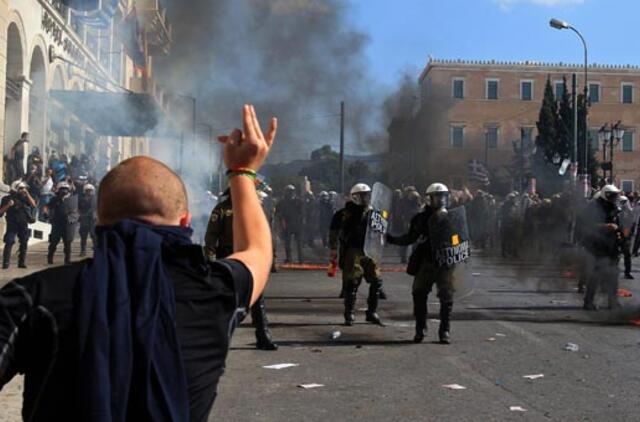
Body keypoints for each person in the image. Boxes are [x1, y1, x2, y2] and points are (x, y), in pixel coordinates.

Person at [0, 105, 277, 421]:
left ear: (100, 223)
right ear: (184, 221)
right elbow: (257, 253)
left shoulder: (35, 296)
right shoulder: (214, 292)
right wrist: (242, 172)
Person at [205, 188, 278, 351]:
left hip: (249, 255)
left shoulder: (254, 208)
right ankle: (216, 339)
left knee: (257, 297)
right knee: (224, 298)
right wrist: (209, 259)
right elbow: (211, 236)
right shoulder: (221, 209)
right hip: (227, 256)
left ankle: (263, 336)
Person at [387, 183, 456, 344]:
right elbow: (409, 238)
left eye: (443, 196)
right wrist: (390, 238)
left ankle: (445, 331)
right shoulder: (420, 218)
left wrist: (454, 247)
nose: (441, 200)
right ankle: (420, 329)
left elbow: (458, 237)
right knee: (419, 294)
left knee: (446, 296)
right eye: (437, 197)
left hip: (445, 262)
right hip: (426, 261)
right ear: (429, 198)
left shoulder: (451, 217)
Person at [329, 183, 384, 326]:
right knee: (352, 283)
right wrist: (334, 248)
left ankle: (372, 312)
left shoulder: (374, 213)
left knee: (376, 282)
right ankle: (349, 314)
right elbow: (334, 231)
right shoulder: (344, 213)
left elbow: (380, 231)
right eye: (362, 195)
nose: (365, 198)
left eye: (367, 195)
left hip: (370, 250)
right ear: (354, 197)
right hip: (353, 251)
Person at [578, 184, 623, 310]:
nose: (615, 198)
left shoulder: (614, 207)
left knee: (613, 274)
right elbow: (586, 225)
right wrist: (606, 226)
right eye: (613, 195)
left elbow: (618, 224)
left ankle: (612, 301)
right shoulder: (594, 207)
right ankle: (588, 302)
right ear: (606, 194)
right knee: (596, 274)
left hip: (611, 245)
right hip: (597, 245)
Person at [0, 180, 36, 269]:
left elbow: (33, 205)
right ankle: (6, 263)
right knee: (9, 242)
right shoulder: (6, 198)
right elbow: (0, 212)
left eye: (24, 188)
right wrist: (8, 205)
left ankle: (21, 262)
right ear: (15, 188)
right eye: (21, 188)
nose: (23, 190)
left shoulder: (24, 198)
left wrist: (27, 194)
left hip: (23, 224)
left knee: (24, 242)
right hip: (12, 224)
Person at [45, 181, 79, 265]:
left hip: (68, 224)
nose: (64, 191)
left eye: (66, 189)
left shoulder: (72, 199)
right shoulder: (55, 199)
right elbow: (47, 206)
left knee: (67, 243)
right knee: (53, 242)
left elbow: (77, 210)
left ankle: (67, 260)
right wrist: (46, 213)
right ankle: (50, 257)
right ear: (58, 190)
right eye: (62, 189)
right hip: (57, 224)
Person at [276, 185, 304, 263]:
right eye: (288, 191)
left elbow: (302, 212)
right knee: (288, 243)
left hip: (295, 224)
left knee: (297, 243)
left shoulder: (298, 201)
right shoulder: (283, 201)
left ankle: (299, 259)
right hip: (288, 224)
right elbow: (278, 212)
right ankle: (290, 258)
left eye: (290, 191)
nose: (290, 193)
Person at [78, 183, 97, 257]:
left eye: (90, 190)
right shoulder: (81, 200)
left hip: (93, 220)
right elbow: (78, 209)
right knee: (83, 236)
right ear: (84, 191)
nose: (89, 192)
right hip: (84, 220)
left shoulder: (96, 199)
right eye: (87, 190)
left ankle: (97, 250)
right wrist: (80, 215)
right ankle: (83, 251)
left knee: (94, 236)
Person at [618, 195, 634, 279]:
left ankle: (627, 272)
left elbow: (630, 223)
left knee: (627, 254)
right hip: (617, 234)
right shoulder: (616, 210)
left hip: (625, 234)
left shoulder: (628, 211)